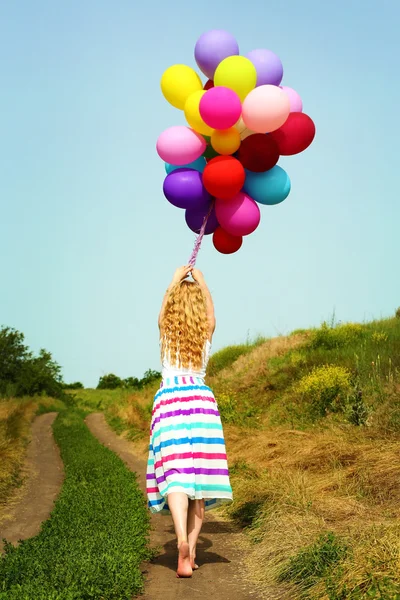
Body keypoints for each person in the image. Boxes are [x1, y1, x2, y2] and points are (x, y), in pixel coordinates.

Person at [146, 265, 233, 578]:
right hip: (200, 404)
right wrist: (203, 283)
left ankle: (180, 540)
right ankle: (192, 553)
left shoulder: (166, 331)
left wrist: (173, 281)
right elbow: (211, 316)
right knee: (200, 482)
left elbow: (162, 312)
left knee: (176, 476)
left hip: (169, 403)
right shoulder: (204, 333)